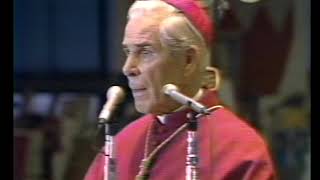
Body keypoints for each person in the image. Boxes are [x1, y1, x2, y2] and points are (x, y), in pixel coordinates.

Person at [85, 0, 276, 179]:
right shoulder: (122, 143)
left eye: (145, 51)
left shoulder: (240, 150)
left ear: (188, 61)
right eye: (128, 51)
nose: (128, 68)